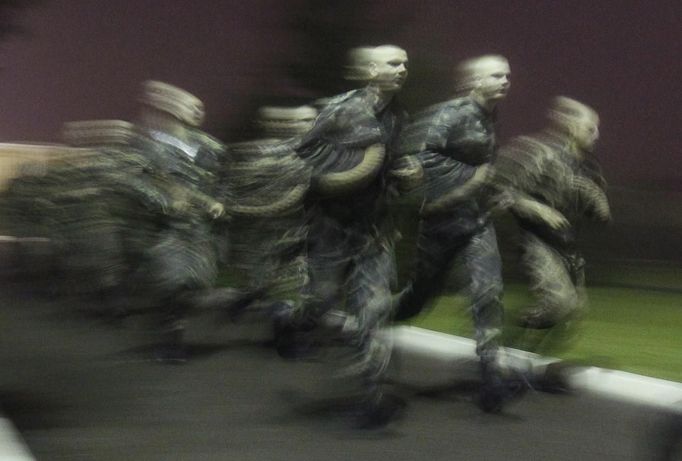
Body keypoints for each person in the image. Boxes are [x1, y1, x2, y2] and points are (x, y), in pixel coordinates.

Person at [281, 45, 412, 428]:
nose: (403, 68)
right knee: (321, 300)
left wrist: (408, 175)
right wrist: (319, 184)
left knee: (373, 310)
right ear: (371, 69)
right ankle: (295, 322)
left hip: (372, 233)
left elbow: (393, 167)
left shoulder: (399, 116)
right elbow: (298, 155)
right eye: (393, 63)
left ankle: (371, 398)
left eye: (405, 63)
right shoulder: (342, 109)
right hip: (329, 229)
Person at [395, 54, 522, 413]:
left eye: (507, 75)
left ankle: (490, 374)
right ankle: (371, 320)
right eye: (496, 75)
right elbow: (418, 158)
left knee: (488, 289)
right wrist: (474, 178)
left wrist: (490, 188)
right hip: (440, 221)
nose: (505, 80)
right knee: (419, 298)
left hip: (477, 222)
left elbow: (481, 167)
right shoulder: (450, 114)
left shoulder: (488, 118)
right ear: (474, 80)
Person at [495, 97, 610, 333]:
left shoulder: (587, 167)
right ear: (568, 124)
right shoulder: (532, 150)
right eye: (590, 127)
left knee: (572, 315)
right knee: (560, 304)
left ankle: (525, 348)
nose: (596, 134)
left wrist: (598, 204)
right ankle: (505, 338)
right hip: (533, 239)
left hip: (566, 244)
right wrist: (534, 207)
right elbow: (496, 190)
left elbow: (588, 208)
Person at [133, 80, 226, 362]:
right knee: (174, 280)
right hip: (166, 228)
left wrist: (220, 201)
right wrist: (163, 201)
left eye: (156, 111)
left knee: (197, 284)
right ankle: (170, 338)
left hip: (202, 229)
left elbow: (222, 182)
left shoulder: (209, 147)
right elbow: (136, 182)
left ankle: (169, 318)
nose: (150, 116)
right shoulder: (148, 149)